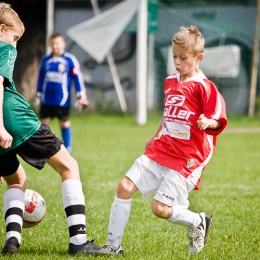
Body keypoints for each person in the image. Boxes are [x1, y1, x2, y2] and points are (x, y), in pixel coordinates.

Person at [98, 25, 228, 256]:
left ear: (199, 58)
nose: (177, 62)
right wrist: (156, 134)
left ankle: (198, 221)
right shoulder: (170, 81)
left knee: (160, 209)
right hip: (163, 147)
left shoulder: (205, 87)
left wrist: (209, 123)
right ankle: (112, 247)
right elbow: (169, 112)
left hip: (188, 156)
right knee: (124, 187)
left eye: (183, 57)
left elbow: (218, 117)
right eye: (174, 56)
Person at [0, 2, 104, 256]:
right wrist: (1, 127)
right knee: (69, 166)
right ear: (1, 29)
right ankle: (78, 241)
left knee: (16, 179)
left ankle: (12, 239)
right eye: (14, 37)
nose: (15, 43)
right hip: (16, 120)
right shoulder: (4, 49)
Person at [34, 32, 89, 154]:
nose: (55, 46)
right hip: (46, 99)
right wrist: (38, 94)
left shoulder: (69, 59)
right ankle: (43, 148)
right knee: (43, 124)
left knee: (64, 122)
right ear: (49, 44)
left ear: (63, 44)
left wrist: (81, 94)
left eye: (57, 43)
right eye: (53, 44)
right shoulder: (46, 60)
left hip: (62, 100)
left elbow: (77, 77)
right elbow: (40, 78)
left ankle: (68, 148)